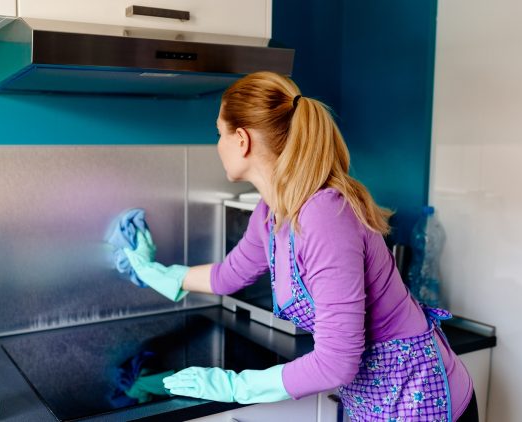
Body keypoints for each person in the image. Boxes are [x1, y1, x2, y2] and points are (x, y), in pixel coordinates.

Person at [123, 71, 478, 421]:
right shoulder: (270, 212)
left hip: (421, 401)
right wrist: (155, 271)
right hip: (374, 401)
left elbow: (337, 362)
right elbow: (229, 276)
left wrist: (236, 386)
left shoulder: (325, 216)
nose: (218, 144)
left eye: (219, 133)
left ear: (242, 139)